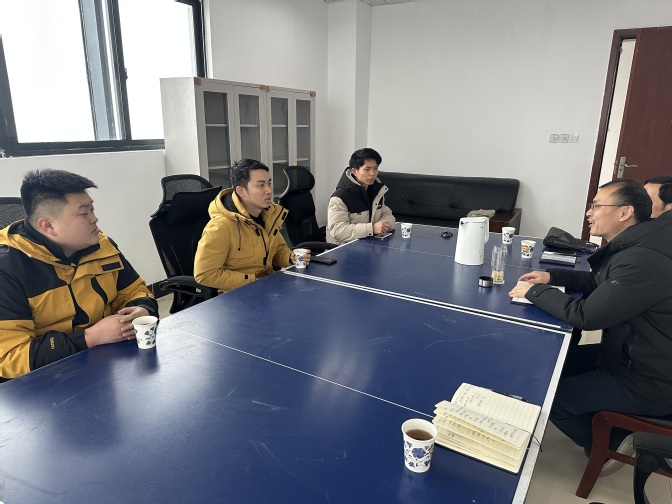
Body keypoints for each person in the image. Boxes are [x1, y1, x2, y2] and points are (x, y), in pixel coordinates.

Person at [508, 179, 672, 471]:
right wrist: (553, 277)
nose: (589, 212)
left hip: (650, 380)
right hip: (630, 355)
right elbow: (603, 283)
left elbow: (587, 316)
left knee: (553, 399)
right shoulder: (639, 243)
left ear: (625, 212)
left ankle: (613, 444)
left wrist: (534, 292)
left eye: (596, 205)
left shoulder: (642, 260)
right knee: (551, 365)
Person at [0, 169, 158, 381]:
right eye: (84, 213)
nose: (95, 218)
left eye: (92, 209)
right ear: (48, 225)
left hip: (104, 366)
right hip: (43, 383)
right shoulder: (8, 268)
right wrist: (90, 337)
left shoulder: (102, 246)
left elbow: (135, 291)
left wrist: (142, 309)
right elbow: (10, 358)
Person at [194, 159, 306, 293]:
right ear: (241, 191)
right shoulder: (221, 226)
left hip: (268, 287)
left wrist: (290, 257)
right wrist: (254, 281)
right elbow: (205, 274)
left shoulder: (269, 215)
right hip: (237, 295)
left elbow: (278, 250)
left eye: (269, 183)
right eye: (261, 185)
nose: (269, 190)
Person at [327, 147, 396, 245]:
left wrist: (383, 225)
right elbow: (338, 230)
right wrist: (372, 228)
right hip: (343, 249)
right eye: (367, 169)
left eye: (375, 168)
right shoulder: (340, 198)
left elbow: (388, 215)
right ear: (354, 171)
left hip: (369, 244)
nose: (372, 173)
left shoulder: (376, 190)